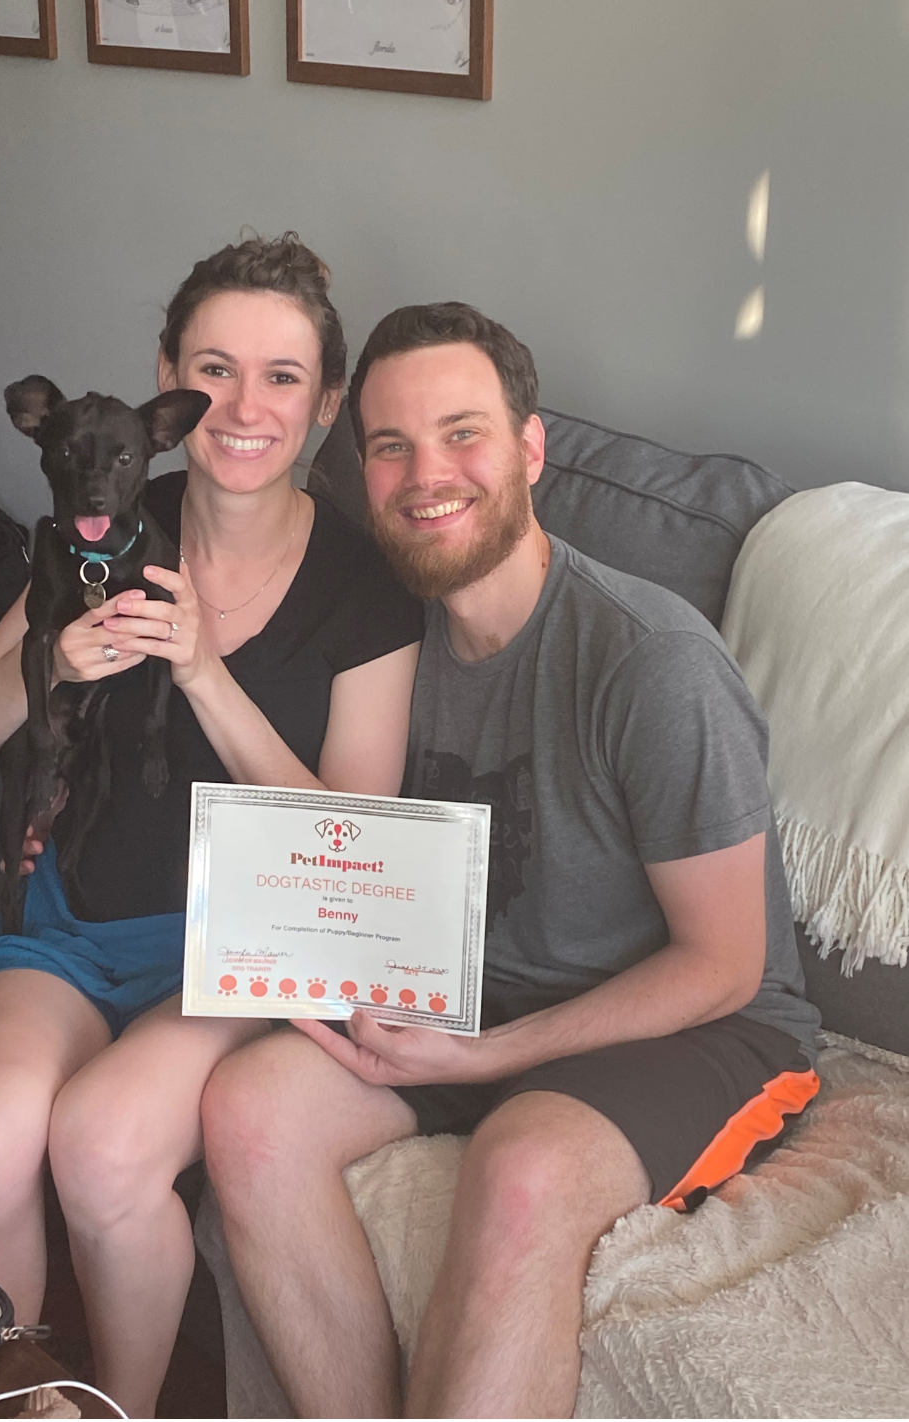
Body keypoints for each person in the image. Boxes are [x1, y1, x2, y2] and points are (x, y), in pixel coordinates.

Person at [199, 302, 823, 1418]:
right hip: (461, 994)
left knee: (523, 1175)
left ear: (532, 450)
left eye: (461, 434)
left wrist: (487, 1054)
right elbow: (332, 826)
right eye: (389, 445)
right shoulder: (382, 632)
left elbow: (725, 965)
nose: (423, 473)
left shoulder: (651, 663)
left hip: (704, 1027)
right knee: (248, 1108)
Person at [0, 235, 423, 1419]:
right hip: (73, 921)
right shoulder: (105, 512)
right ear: (166, 383)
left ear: (327, 404)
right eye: (216, 368)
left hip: (236, 954)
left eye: (284, 377)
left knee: (101, 1146)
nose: (244, 407)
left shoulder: (366, 589)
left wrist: (203, 673)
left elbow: (360, 845)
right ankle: (27, 1395)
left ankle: (122, 1410)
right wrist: (49, 665)